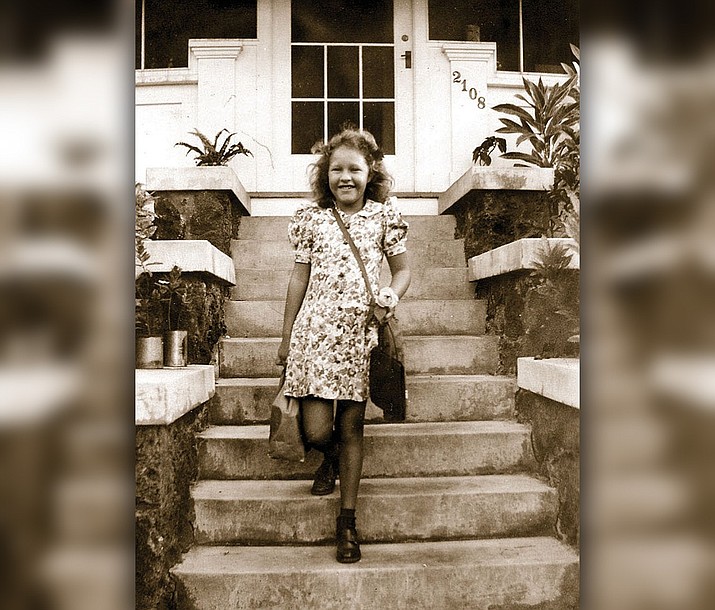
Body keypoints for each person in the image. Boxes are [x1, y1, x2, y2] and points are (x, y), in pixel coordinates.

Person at [276, 128, 411, 563]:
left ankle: (347, 524)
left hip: (358, 336)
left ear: (370, 172)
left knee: (352, 427)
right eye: (337, 169)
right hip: (314, 336)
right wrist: (286, 337)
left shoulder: (384, 217)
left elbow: (402, 271)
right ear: (324, 174)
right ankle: (328, 458)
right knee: (316, 430)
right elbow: (299, 278)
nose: (346, 177)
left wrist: (389, 296)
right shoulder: (311, 218)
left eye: (355, 169)